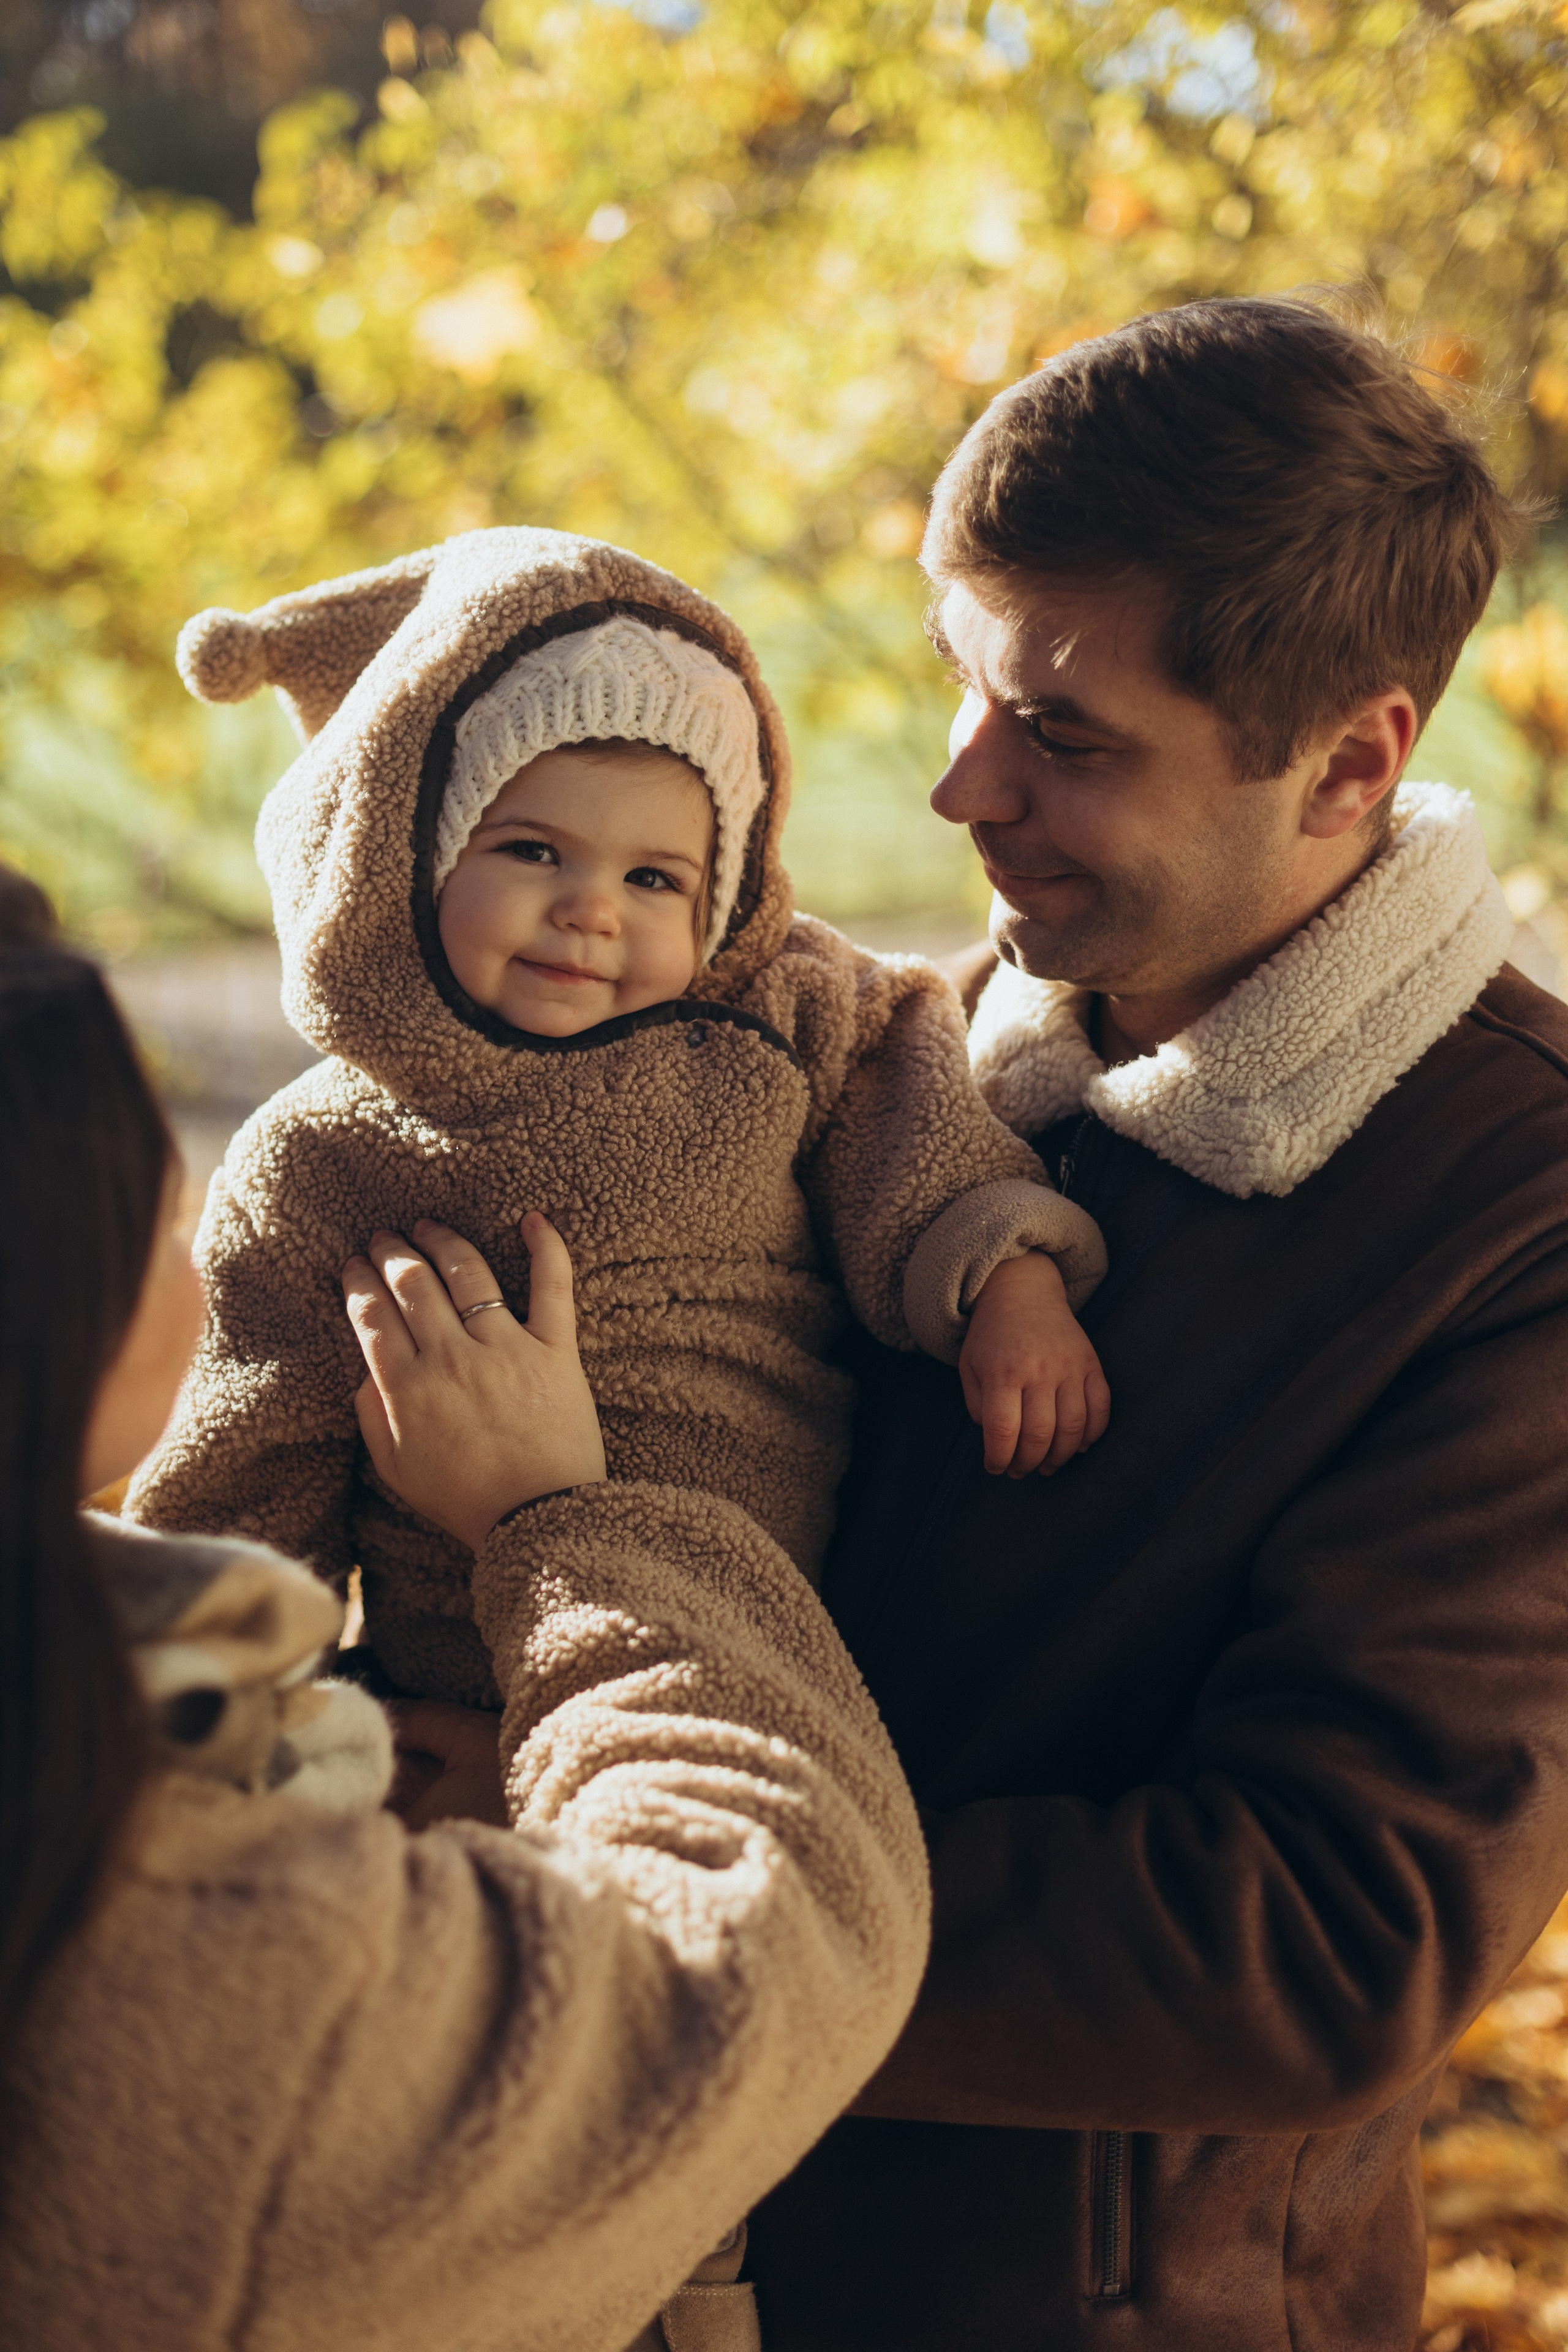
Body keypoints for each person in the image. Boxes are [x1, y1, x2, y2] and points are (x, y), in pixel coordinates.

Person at [741, 298, 1568, 2349]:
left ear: (1352, 762)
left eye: (1067, 736)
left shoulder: (1520, 1219)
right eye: (962, 683)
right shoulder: (902, 1070)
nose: (962, 785)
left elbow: (1320, 1942)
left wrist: (640, 1894)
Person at [0, 867, 931, 2352]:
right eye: (168, 1206)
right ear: (68, 1308)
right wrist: (553, 1523)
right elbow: (775, 1929)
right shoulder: (208, 1994)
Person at [126, 529, 1106, 1721]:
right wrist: (211, 1695)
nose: (590, 909)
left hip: (772, 1637)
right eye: (532, 851)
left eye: (653, 879)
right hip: (466, 1677)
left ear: (720, 899)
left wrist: (1010, 1282)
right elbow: (251, 1457)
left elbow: (922, 1150)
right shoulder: (324, 1158)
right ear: (409, 863)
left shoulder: (786, 1022)